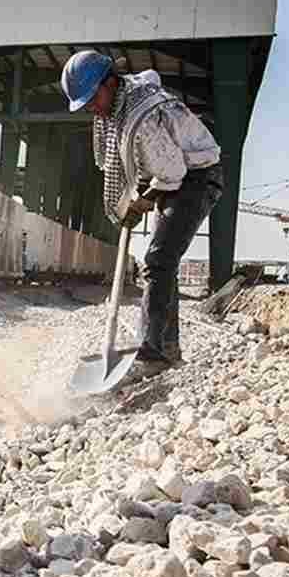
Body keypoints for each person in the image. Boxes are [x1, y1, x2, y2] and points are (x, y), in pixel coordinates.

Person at [61, 50, 223, 378]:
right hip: (177, 174)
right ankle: (169, 348)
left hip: (197, 176)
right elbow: (153, 166)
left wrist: (143, 201)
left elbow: (173, 172)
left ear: (110, 83)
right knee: (164, 262)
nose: (91, 108)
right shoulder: (123, 102)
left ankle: (151, 353)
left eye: (93, 99)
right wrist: (138, 196)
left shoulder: (142, 118)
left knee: (158, 260)